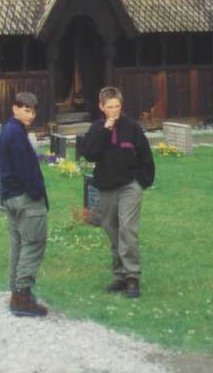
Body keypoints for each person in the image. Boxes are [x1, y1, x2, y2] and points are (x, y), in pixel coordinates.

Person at [82, 86, 155, 299]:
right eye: (110, 107)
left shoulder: (132, 128)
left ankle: (132, 276)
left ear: (121, 106)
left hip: (129, 186)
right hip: (106, 187)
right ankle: (120, 276)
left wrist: (141, 182)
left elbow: (146, 157)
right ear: (101, 107)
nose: (114, 111)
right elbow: (89, 154)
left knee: (127, 229)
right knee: (111, 229)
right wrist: (106, 128)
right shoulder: (96, 128)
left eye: (117, 106)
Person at [0, 92, 49, 317]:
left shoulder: (11, 130)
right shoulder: (16, 134)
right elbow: (25, 170)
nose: (31, 114)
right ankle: (22, 295)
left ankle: (16, 292)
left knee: (18, 243)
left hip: (11, 196)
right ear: (15, 109)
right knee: (33, 243)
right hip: (25, 198)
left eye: (33, 110)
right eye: (26, 110)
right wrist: (37, 192)